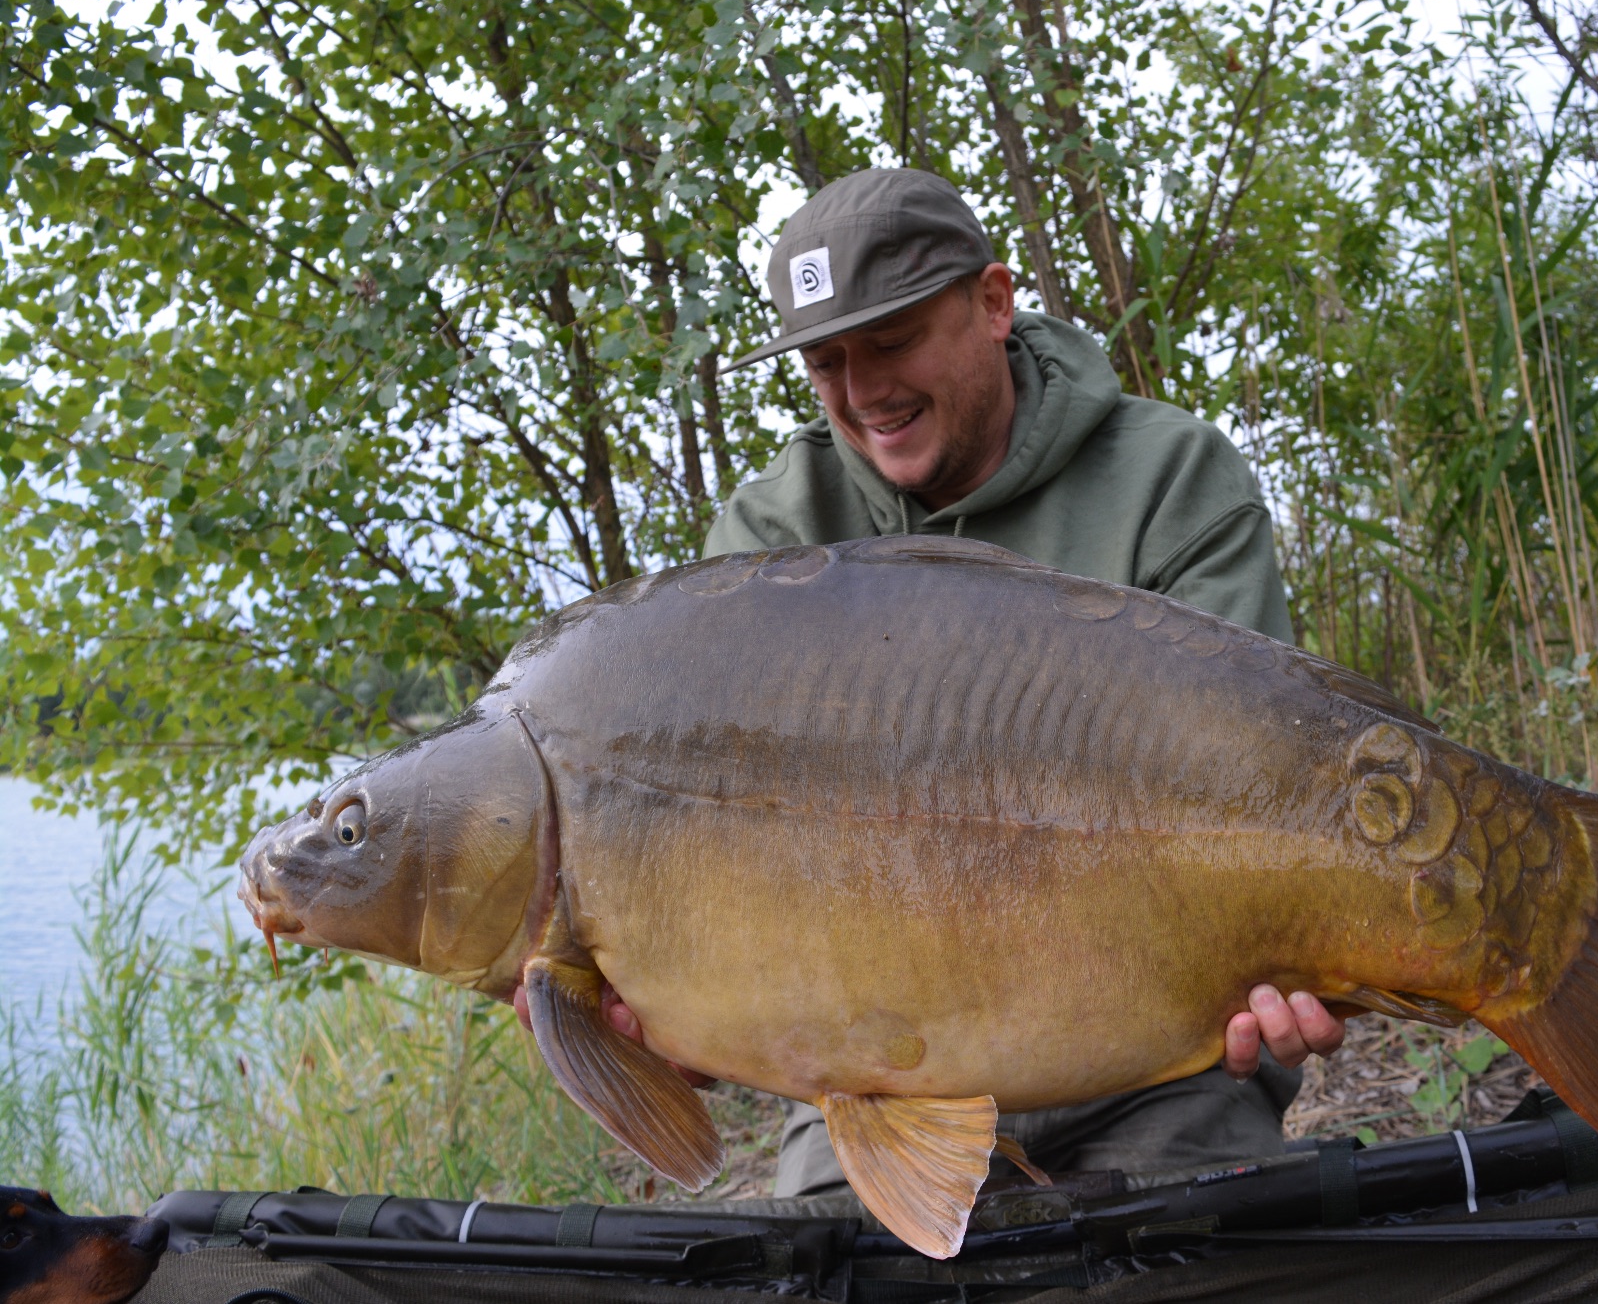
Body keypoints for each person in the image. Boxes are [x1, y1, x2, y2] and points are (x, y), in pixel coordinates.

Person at [517, 167, 1347, 1197]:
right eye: (827, 362)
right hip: (873, 1077)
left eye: (893, 341)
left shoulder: (1165, 478)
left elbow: (1266, 785)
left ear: (992, 303)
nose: (864, 392)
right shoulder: (769, 545)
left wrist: (1309, 951)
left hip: (1156, 1051)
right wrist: (684, 1018)